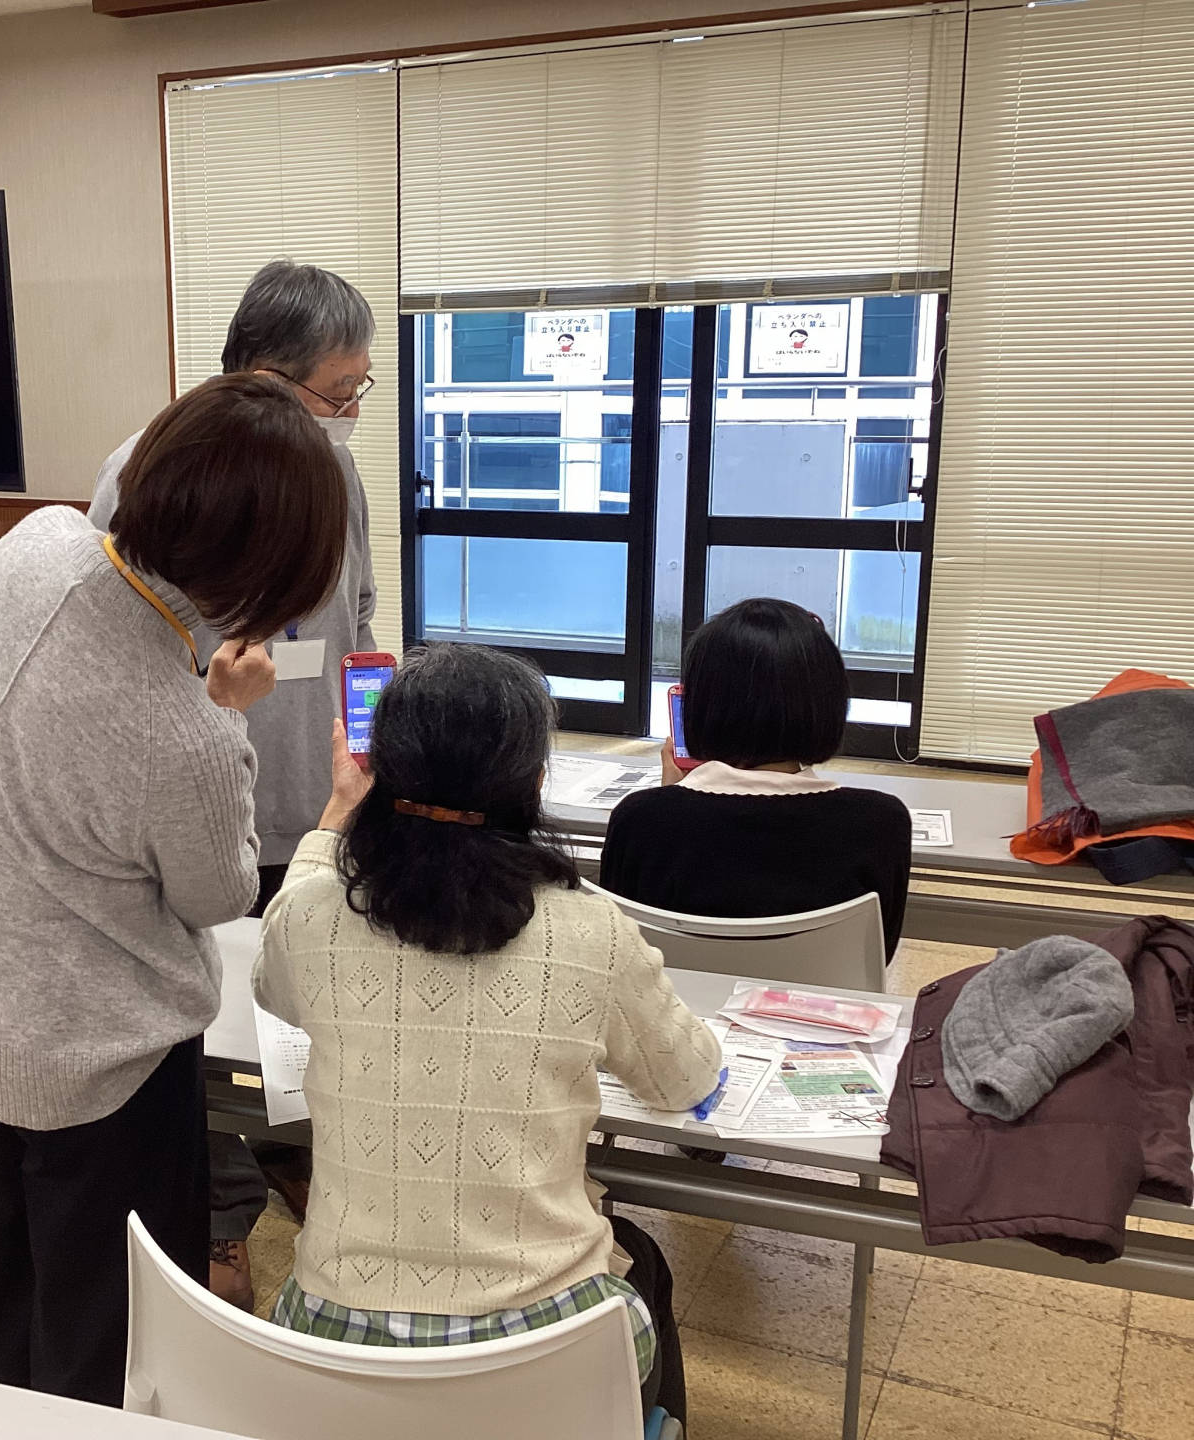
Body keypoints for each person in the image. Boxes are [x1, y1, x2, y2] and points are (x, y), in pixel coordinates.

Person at [0, 372, 349, 1406]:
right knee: (103, 1328)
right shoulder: (182, 730)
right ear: (263, 574)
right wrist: (228, 715)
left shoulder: (30, 547)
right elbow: (217, 893)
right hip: (97, 1059)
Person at [253, 643, 720, 1423]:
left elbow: (272, 985)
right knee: (643, 1266)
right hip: (543, 1357)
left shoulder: (311, 915)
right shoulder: (590, 930)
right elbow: (687, 1080)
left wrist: (334, 818)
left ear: (378, 768)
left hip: (335, 1350)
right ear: (535, 780)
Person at [89, 258, 378, 1307]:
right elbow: (117, 657)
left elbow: (357, 617)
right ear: (264, 372)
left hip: (313, 789)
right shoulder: (150, 470)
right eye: (339, 392)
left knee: (307, 994)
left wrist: (366, 740)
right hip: (200, 800)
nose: (351, 412)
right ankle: (217, 1213)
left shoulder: (333, 470)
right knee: (205, 1014)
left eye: (359, 390)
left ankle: (291, 1150)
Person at [599, 597, 913, 958]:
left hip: (680, 995)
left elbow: (624, 951)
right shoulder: (881, 823)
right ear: (829, 703)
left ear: (698, 705)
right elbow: (879, 953)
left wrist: (670, 800)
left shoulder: (641, 819)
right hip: (817, 996)